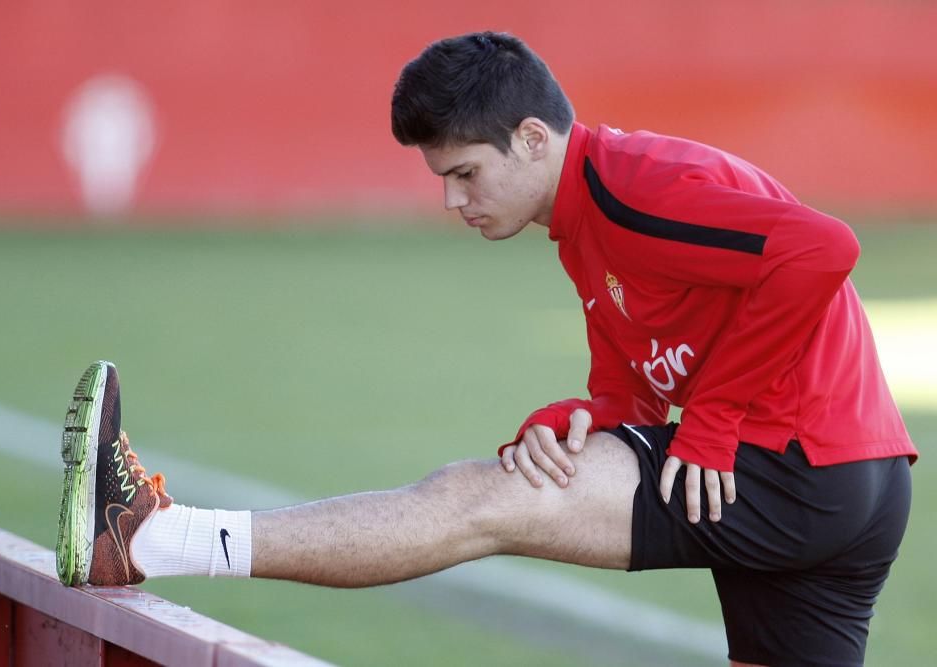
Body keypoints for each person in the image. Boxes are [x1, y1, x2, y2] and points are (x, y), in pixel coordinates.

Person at [55, 32, 917, 667]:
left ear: (534, 139)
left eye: (465, 172)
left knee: (480, 497)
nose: (452, 200)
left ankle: (154, 539)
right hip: (863, 484)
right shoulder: (585, 224)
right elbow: (636, 401)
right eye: (442, 180)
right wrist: (581, 417)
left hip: (793, 464)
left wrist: (717, 420)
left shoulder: (631, 186)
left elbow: (822, 248)